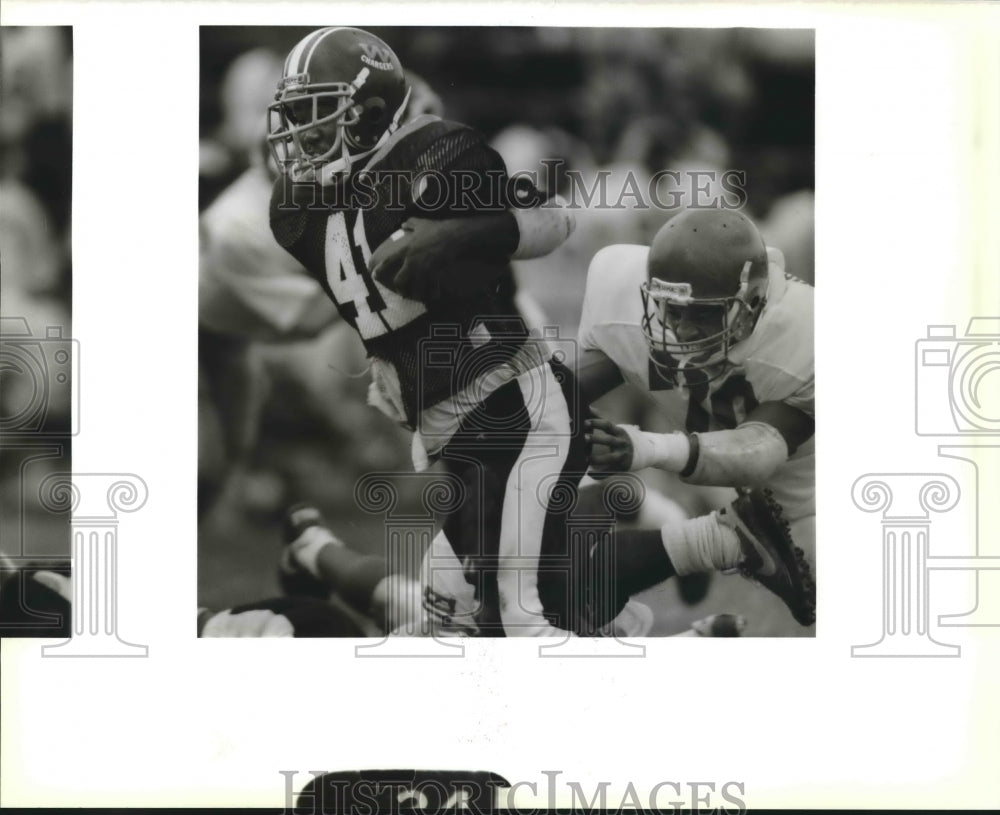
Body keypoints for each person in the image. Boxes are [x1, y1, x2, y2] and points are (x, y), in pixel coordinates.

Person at [265, 27, 586, 637]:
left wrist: (465, 232)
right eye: (295, 115)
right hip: (450, 428)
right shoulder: (294, 209)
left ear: (369, 114)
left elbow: (554, 217)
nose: (299, 135)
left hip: (514, 405)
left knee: (519, 620)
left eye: (317, 114)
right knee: (460, 624)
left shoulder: (435, 154)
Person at [578, 206, 816, 626]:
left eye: (704, 313)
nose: (683, 330)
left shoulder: (805, 332)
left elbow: (760, 450)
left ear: (752, 305)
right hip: (745, 505)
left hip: (824, 499)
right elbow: (555, 397)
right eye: (672, 310)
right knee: (567, 580)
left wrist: (644, 446)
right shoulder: (622, 300)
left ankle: (725, 542)